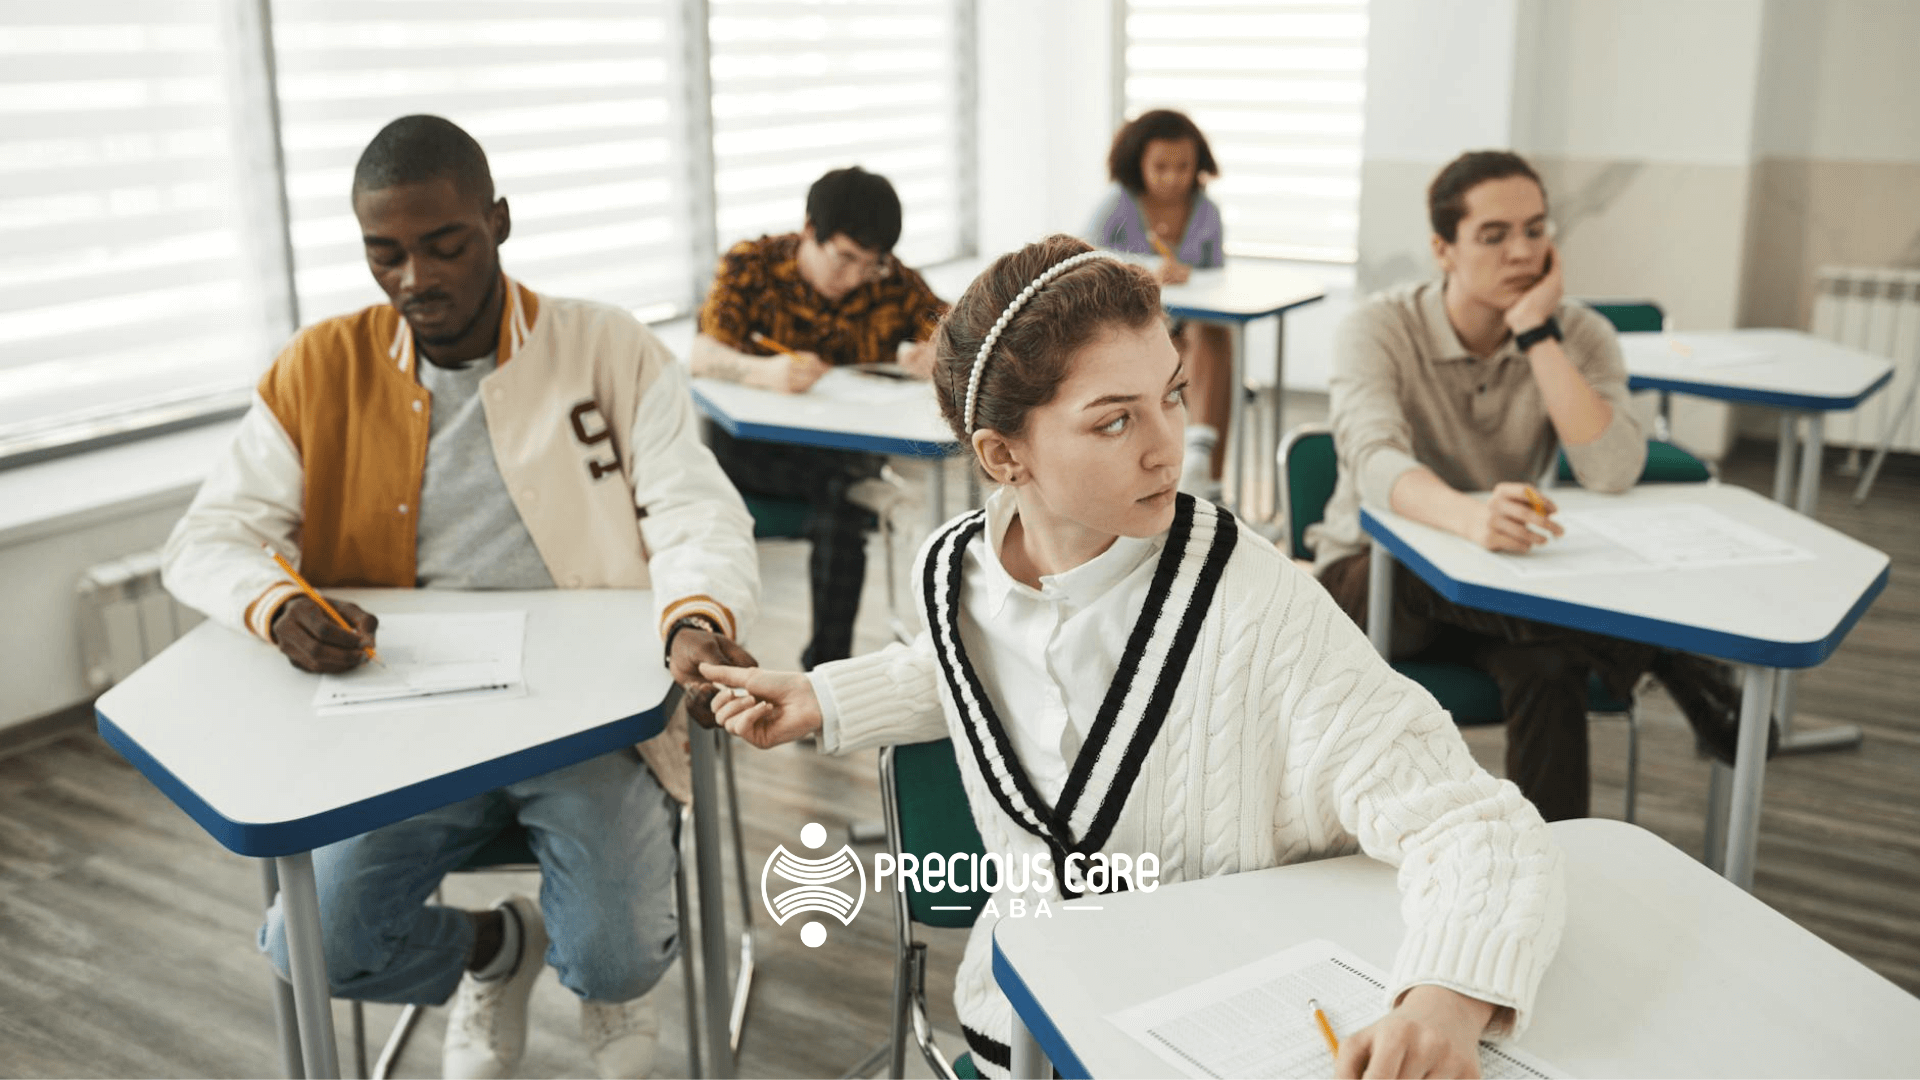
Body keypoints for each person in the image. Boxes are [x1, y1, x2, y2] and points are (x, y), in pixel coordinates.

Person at [700, 235, 1566, 1080]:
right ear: (1005, 457)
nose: (1168, 446)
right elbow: (969, 668)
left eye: (1173, 395)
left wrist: (1441, 1003)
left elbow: (1471, 822)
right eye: (1116, 420)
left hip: (1221, 1023)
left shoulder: (1255, 600)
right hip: (1026, 1016)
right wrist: (825, 698)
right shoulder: (949, 572)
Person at [161, 115, 761, 1080]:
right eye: (384, 254)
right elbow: (208, 539)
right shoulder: (319, 369)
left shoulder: (604, 346)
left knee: (614, 953)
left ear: (499, 222)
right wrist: (276, 604)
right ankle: (496, 951)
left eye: (444, 246)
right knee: (312, 948)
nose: (415, 279)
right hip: (403, 721)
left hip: (588, 717)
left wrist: (695, 614)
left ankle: (604, 989)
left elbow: (696, 512)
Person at [1308, 149, 1763, 823]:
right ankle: (1661, 648)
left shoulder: (1580, 332)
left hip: (1503, 588)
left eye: (1536, 230)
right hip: (1375, 584)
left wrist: (1537, 332)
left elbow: (1611, 469)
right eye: (1493, 236)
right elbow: (1374, 462)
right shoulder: (1378, 328)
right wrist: (1464, 518)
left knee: (1548, 668)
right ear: (1444, 248)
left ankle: (1555, 859)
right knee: (1407, 564)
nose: (1521, 250)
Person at [691, 165, 948, 669]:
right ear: (810, 230)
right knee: (847, 499)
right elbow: (700, 354)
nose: (854, 277)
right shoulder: (752, 265)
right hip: (752, 453)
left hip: (840, 453)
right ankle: (827, 670)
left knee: (840, 503)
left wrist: (936, 354)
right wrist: (764, 372)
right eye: (845, 258)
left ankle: (824, 671)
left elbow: (957, 327)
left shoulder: (889, 282)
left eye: (869, 265)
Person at [1086, 109, 1233, 498]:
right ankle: (1189, 471)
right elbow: (1083, 262)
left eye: (1184, 166)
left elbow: (1217, 281)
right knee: (1189, 350)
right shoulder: (1116, 206)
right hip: (1130, 331)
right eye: (1161, 167)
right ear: (1138, 164)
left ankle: (1208, 479)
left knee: (1214, 337)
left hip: (1187, 331)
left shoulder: (1207, 211)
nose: (1173, 177)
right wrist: (1150, 269)